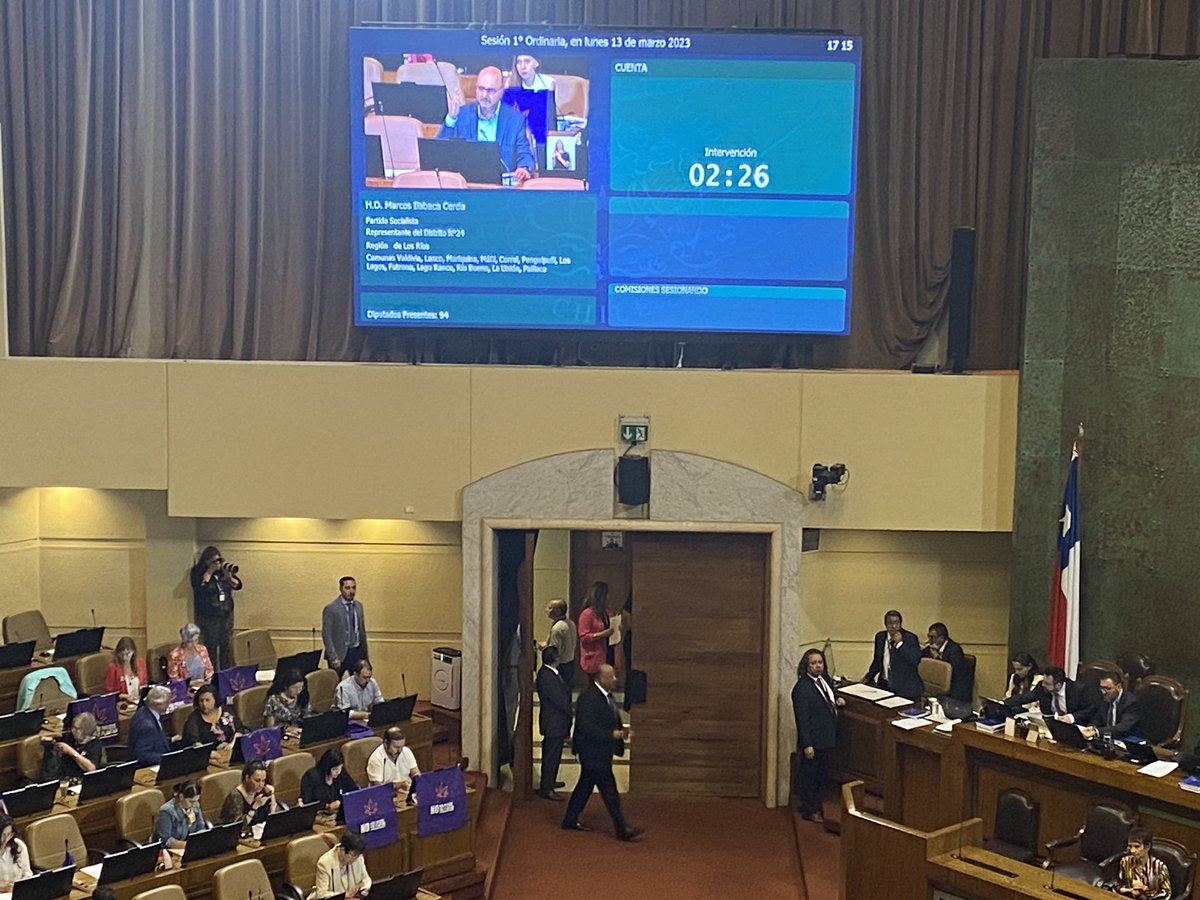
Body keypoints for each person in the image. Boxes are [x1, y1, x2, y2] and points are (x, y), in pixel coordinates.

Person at [561, 664, 642, 842]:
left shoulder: (605, 696)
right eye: (611, 677)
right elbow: (586, 726)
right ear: (601, 679)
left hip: (599, 751)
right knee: (609, 790)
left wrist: (620, 731)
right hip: (592, 751)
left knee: (585, 786)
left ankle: (570, 819)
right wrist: (611, 734)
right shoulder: (589, 698)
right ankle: (622, 829)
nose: (615, 679)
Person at [439, 66, 534, 183]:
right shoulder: (461, 114)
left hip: (500, 189)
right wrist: (451, 118)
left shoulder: (515, 119)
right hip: (467, 185)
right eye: (481, 89)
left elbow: (524, 153)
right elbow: (440, 153)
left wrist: (523, 168)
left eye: (490, 91)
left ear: (501, 91)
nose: (484, 95)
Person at [792, 648, 845, 823]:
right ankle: (810, 809)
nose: (818, 666)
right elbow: (803, 719)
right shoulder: (802, 688)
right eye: (813, 663)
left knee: (821, 775)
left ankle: (812, 803)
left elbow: (826, 699)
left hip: (827, 737)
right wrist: (807, 744)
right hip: (814, 741)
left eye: (820, 662)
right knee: (811, 777)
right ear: (806, 666)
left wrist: (837, 700)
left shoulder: (825, 680)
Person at [190, 545, 243, 670]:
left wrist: (228, 576)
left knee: (226, 646)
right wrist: (209, 571)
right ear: (207, 561)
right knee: (211, 646)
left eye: (219, 560)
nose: (218, 564)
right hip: (210, 617)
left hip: (225, 614)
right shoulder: (199, 572)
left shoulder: (222, 572)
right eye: (214, 561)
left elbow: (238, 585)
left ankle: (226, 671)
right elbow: (201, 588)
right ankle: (212, 673)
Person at [535, 646, 572, 801]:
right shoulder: (548, 677)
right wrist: (570, 709)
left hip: (555, 721)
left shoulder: (548, 674)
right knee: (551, 755)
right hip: (553, 722)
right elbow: (560, 700)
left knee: (553, 754)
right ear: (555, 658)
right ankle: (546, 787)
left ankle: (550, 781)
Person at [862, 609, 923, 702]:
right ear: (885, 624)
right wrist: (867, 678)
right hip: (885, 686)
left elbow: (915, 660)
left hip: (906, 690)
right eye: (890, 623)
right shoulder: (880, 637)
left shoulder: (910, 638)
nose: (894, 626)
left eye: (897, 623)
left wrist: (900, 644)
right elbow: (878, 661)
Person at [1006, 665, 1099, 723]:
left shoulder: (1078, 690)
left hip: (1074, 725)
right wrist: (1004, 703)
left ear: (1058, 685)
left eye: (1047, 684)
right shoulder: (1042, 687)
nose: (1043, 685)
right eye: (1043, 681)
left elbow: (1091, 709)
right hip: (1051, 725)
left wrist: (1072, 717)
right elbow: (1026, 697)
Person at [1105, 826, 1170, 898]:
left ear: (1147, 847)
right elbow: (1119, 884)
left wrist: (1145, 891)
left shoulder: (1159, 867)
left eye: (1137, 846)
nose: (1132, 851)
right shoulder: (1125, 861)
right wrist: (1130, 890)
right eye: (1130, 846)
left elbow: (1166, 893)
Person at [321, 577, 369, 676]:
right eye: (347, 588)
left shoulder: (359, 606)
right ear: (341, 588)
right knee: (336, 684)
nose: (351, 591)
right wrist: (333, 657)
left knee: (358, 683)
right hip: (340, 653)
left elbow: (361, 631)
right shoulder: (331, 608)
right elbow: (327, 635)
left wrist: (365, 655)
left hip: (356, 651)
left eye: (353, 588)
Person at [300, 748, 359, 821]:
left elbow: (353, 790)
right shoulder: (311, 777)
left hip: (339, 814)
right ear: (326, 767)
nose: (338, 772)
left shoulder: (341, 773)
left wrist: (340, 801)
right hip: (318, 816)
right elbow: (307, 802)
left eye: (340, 767)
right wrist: (326, 806)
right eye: (334, 769)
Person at [309, 831, 371, 900]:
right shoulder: (325, 863)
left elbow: (366, 879)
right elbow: (322, 894)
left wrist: (364, 887)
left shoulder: (358, 857)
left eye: (358, 855)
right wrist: (345, 896)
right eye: (353, 855)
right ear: (343, 850)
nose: (356, 859)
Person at [182, 683, 246, 748]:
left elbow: (240, 729)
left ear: (215, 700)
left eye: (207, 700)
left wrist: (233, 742)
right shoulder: (193, 719)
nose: (204, 704)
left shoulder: (226, 711)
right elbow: (194, 743)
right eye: (201, 701)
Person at [153, 780, 211, 849]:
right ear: (181, 797)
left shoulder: (195, 806)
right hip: (170, 849)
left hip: (190, 846)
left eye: (196, 801)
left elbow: (201, 827)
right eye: (191, 801)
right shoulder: (166, 811)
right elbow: (165, 840)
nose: (194, 804)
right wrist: (188, 846)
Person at [220, 760, 279, 829]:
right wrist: (255, 807)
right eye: (257, 780)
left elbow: (275, 821)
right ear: (247, 778)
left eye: (263, 781)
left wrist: (272, 798)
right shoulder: (235, 796)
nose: (261, 785)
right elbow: (239, 827)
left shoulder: (263, 792)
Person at [128, 684, 177, 766]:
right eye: (167, 702)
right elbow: (143, 755)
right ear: (158, 704)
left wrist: (170, 740)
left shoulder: (144, 711)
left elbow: (154, 740)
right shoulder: (147, 725)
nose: (169, 704)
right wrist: (169, 759)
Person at [922, 622, 972, 702]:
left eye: (932, 637)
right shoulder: (931, 647)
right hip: (937, 686)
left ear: (941, 638)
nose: (929, 640)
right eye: (929, 636)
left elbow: (953, 672)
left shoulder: (954, 650)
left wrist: (938, 658)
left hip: (955, 690)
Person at [1083, 673, 1142, 740]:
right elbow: (1097, 719)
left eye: (1107, 688)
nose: (1103, 692)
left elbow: (1123, 727)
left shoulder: (1131, 702)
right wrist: (1091, 728)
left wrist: (1097, 731)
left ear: (1119, 687)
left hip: (1127, 739)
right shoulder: (1104, 697)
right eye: (1101, 688)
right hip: (1107, 738)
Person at [577, 581, 614, 681]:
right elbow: (584, 637)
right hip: (594, 656)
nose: (609, 597)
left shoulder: (607, 612)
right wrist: (602, 634)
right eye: (606, 594)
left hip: (608, 651)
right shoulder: (587, 614)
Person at [51, 711, 106, 779]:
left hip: (81, 780)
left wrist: (71, 752)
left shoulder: (95, 744)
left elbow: (91, 768)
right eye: (73, 727)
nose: (73, 731)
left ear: (86, 730)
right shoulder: (70, 738)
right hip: (64, 778)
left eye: (77, 729)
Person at [540, 598, 576, 688]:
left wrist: (544, 648)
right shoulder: (570, 623)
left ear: (558, 611)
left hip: (560, 666)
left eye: (549, 608)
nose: (546, 610)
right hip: (570, 663)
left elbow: (554, 652)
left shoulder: (558, 628)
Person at [167, 622, 214, 688]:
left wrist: (208, 680)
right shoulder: (175, 655)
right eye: (191, 642)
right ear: (184, 641)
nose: (194, 644)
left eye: (196, 640)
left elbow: (209, 670)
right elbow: (174, 679)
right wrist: (191, 683)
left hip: (204, 686)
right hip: (185, 688)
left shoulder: (202, 649)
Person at [104, 636, 148, 703]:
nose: (124, 657)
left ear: (133, 652)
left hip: (139, 700)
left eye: (127, 654)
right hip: (122, 702)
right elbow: (110, 693)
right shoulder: (113, 667)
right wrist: (125, 697)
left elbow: (144, 684)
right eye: (122, 654)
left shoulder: (140, 663)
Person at [0, 814, 32, 891]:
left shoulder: (18, 846)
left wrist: (19, 885)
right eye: (3, 835)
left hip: (18, 892)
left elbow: (27, 873)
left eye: (9, 834)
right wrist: (3, 888)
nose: (6, 839)